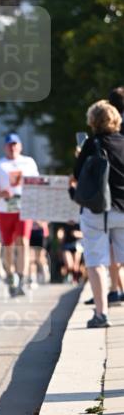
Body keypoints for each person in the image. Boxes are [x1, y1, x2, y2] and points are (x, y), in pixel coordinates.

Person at [74, 100, 124, 328]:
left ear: (92, 121)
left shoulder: (91, 145)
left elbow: (77, 174)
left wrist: (79, 155)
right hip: (123, 209)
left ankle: (101, 314)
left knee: (96, 262)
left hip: (96, 210)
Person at [0, 133, 39, 297]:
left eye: (15, 144)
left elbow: (37, 182)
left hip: (24, 208)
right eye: (9, 145)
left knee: (23, 241)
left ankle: (22, 279)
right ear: (5, 147)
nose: (12, 147)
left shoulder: (28, 162)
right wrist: (0, 193)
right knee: (8, 245)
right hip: (5, 209)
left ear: (20, 146)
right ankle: (11, 276)